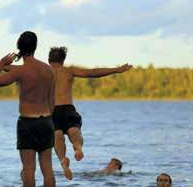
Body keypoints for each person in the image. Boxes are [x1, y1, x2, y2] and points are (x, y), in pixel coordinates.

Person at [0, 31, 56, 187]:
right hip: (46, 121)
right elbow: (52, 101)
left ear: (20, 47)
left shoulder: (20, 71)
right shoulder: (48, 70)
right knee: (48, 169)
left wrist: (0, 64)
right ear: (35, 46)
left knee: (28, 169)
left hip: (27, 122)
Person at [48, 47, 132, 180]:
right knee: (74, 131)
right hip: (68, 108)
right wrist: (115, 70)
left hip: (52, 111)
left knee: (57, 136)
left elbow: (18, 71)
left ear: (49, 59)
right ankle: (78, 147)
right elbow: (92, 72)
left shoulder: (43, 71)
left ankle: (63, 160)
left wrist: (3, 65)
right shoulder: (69, 70)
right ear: (63, 60)